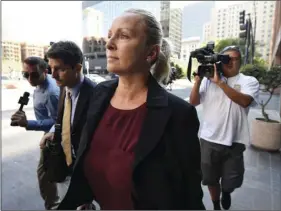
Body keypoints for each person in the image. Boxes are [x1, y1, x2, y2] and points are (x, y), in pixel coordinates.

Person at [58, 9, 205, 210]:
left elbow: (190, 195)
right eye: (110, 35)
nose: (109, 44)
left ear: (151, 52)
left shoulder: (178, 114)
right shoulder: (99, 94)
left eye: (123, 36)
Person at [189, 46, 260, 210]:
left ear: (240, 62)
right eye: (226, 58)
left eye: (234, 59)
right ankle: (215, 205)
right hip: (209, 140)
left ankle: (226, 192)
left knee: (231, 182)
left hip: (235, 141)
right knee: (210, 180)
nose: (230, 62)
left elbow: (245, 101)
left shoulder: (248, 81)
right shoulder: (208, 81)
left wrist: (220, 83)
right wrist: (198, 81)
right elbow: (193, 102)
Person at [41, 41, 97, 201]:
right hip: (65, 165)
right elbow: (63, 117)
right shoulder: (63, 86)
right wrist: (52, 131)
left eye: (60, 69)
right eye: (51, 68)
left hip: (86, 171)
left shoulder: (95, 94)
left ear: (78, 68)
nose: (53, 75)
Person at [10, 56, 60, 210]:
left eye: (34, 75)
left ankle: (54, 207)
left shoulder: (51, 93)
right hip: (48, 135)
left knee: (45, 177)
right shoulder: (40, 85)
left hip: (54, 137)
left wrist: (28, 123)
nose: (30, 79)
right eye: (26, 75)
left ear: (45, 71)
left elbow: (58, 122)